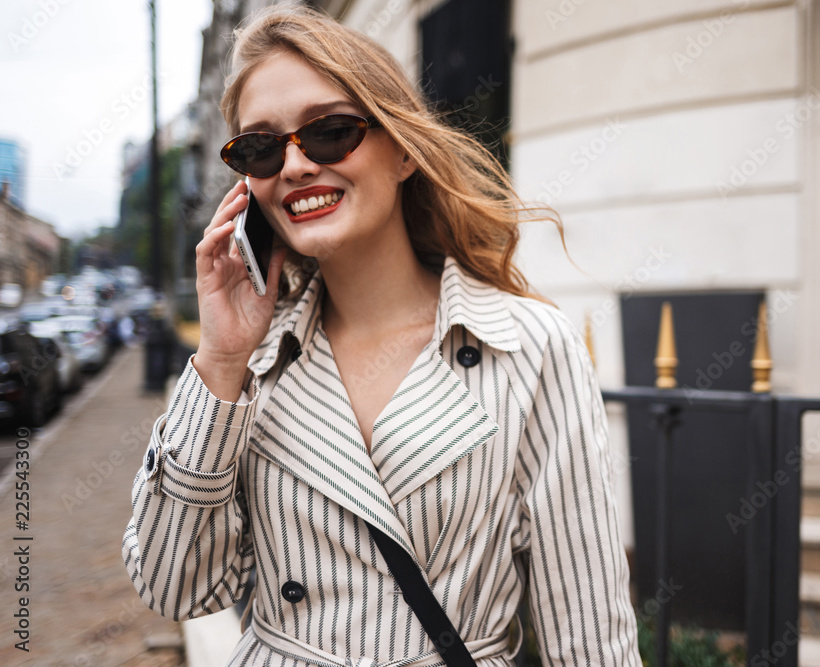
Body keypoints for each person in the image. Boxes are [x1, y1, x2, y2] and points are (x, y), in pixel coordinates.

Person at [122, 5, 640, 665]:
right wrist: (222, 359)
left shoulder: (526, 346)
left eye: (331, 131)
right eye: (261, 146)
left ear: (401, 150)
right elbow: (175, 586)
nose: (297, 164)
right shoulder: (250, 367)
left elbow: (590, 638)